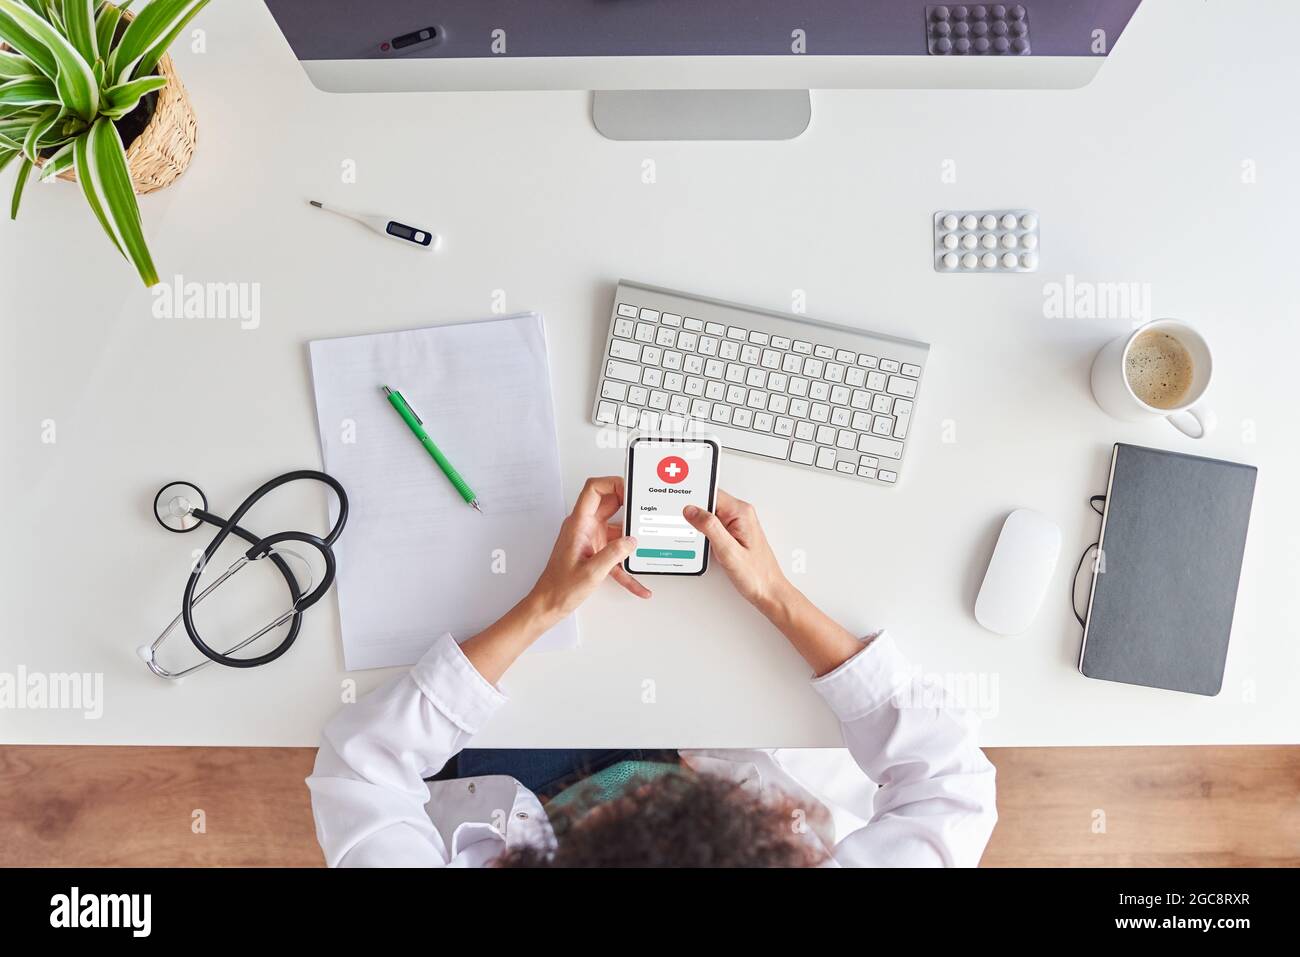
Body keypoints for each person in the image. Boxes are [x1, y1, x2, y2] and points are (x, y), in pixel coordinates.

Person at [307, 476, 997, 867]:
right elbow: (951, 785)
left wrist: (541, 607)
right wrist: (776, 597)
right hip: (720, 755)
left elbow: (362, 767)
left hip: (522, 788)